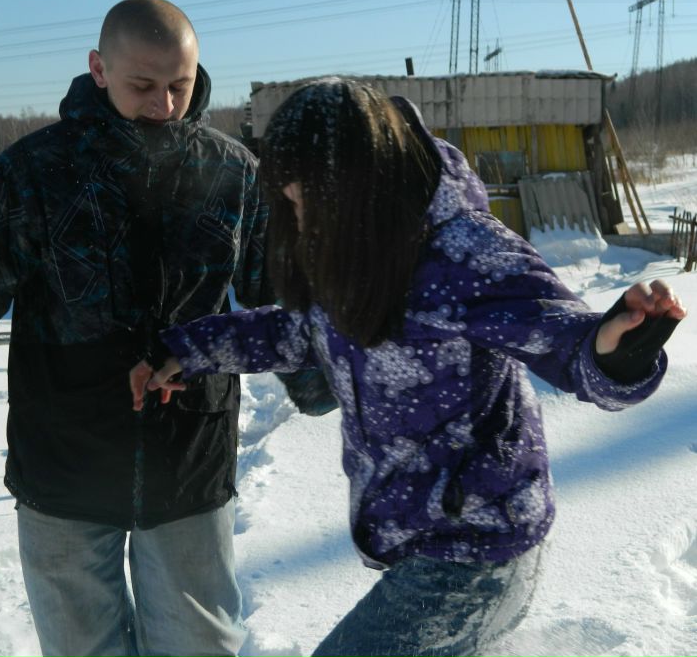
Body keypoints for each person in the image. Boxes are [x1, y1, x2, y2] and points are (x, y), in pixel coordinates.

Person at [129, 79, 687, 657]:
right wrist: (189, 350)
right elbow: (298, 329)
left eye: (307, 196)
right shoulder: (352, 245)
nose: (298, 215)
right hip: (421, 540)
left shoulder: (462, 251)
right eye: (288, 198)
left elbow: (565, 340)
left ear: (356, 180)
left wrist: (615, 351)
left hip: (476, 549)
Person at [0, 0, 268, 657]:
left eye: (180, 86)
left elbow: (287, 304)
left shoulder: (231, 171)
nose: (164, 105)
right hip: (62, 466)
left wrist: (340, 386)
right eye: (142, 86)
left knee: (201, 647)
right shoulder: (35, 172)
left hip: (189, 462)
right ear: (98, 68)